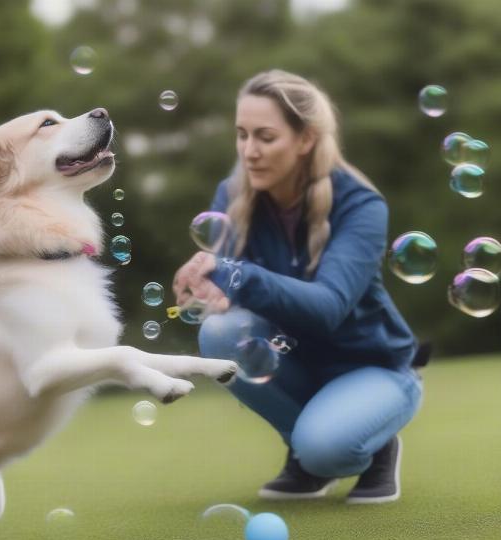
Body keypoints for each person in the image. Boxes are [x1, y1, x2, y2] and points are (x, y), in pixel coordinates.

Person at [172, 69, 426, 504]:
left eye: (265, 137)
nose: (249, 152)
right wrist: (207, 292)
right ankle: (307, 449)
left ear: (305, 139)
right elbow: (229, 294)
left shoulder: (360, 204)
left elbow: (329, 306)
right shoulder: (232, 197)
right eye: (241, 135)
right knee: (217, 332)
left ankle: (371, 443)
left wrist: (236, 276)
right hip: (293, 360)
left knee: (328, 450)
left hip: (371, 367)